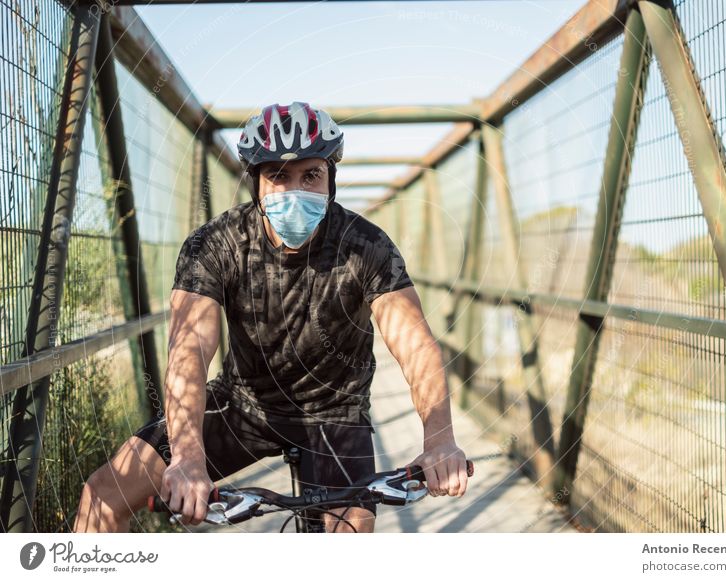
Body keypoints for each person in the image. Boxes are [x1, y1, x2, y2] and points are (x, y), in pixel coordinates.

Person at [73, 101, 468, 533]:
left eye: (310, 175)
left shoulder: (365, 245)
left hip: (334, 413)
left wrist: (440, 440)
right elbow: (189, 351)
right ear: (256, 185)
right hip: (244, 405)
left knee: (350, 532)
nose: (293, 191)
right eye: (278, 176)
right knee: (103, 497)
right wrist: (187, 457)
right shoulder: (215, 244)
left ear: (330, 181)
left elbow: (416, 347)